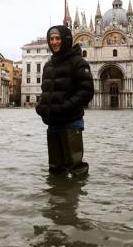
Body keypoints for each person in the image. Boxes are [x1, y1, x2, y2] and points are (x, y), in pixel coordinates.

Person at [35, 25, 94, 177]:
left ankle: (75, 199)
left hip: (71, 123)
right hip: (53, 123)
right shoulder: (48, 65)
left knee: (76, 169)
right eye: (51, 39)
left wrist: (65, 107)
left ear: (66, 40)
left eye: (58, 38)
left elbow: (86, 92)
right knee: (55, 170)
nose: (54, 42)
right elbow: (45, 91)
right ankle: (58, 200)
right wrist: (40, 107)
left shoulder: (78, 62)